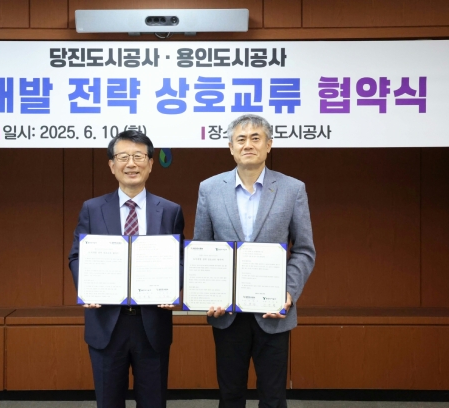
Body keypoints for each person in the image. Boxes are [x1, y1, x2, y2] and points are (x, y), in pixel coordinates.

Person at [193, 114, 316, 408]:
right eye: (241, 139)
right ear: (230, 147)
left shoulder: (292, 189)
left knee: (273, 397)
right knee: (230, 395)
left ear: (269, 145)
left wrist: (288, 293)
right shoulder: (209, 188)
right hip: (227, 314)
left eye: (255, 138)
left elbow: (303, 250)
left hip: (273, 311)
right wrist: (208, 294)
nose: (248, 144)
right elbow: (202, 249)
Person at [68, 130, 185, 408]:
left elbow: (180, 258)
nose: (131, 164)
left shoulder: (170, 210)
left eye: (138, 156)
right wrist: (87, 289)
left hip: (152, 323)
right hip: (106, 322)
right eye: (123, 157)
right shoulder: (92, 209)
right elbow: (76, 256)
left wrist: (174, 288)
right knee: (108, 402)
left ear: (151, 163)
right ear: (112, 165)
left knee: (153, 402)